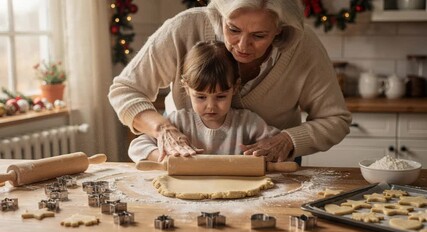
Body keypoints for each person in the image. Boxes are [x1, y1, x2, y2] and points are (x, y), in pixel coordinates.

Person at [109, 0, 352, 164]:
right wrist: (163, 131)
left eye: (259, 36)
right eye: (233, 30)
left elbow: (335, 119)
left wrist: (287, 140)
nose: (243, 46)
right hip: (186, 163)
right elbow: (125, 91)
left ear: (280, 30)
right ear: (219, 16)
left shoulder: (302, 46)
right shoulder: (185, 28)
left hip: (271, 167)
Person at [128, 41, 280, 162]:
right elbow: (137, 147)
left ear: (235, 88)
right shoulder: (178, 121)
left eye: (220, 96)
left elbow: (278, 146)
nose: (211, 106)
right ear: (187, 89)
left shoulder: (248, 123)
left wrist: (264, 155)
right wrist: (166, 157)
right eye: (201, 97)